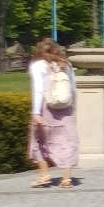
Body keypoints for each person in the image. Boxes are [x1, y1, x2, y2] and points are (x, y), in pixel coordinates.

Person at [27, 39, 79, 189]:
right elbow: (73, 88)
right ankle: (66, 179)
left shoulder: (38, 66)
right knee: (68, 141)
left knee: (38, 140)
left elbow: (38, 90)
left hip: (46, 106)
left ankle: (44, 175)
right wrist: (72, 105)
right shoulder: (65, 65)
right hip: (65, 106)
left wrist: (36, 112)